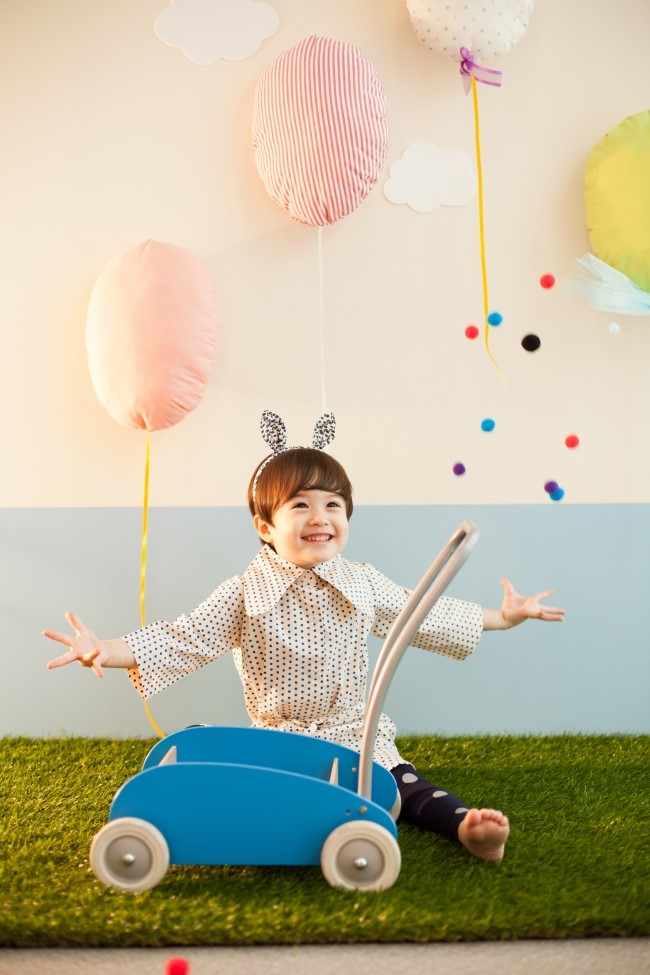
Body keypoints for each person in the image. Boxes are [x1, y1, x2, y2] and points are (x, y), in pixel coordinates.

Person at [44, 411, 565, 862]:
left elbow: (423, 614)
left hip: (355, 736)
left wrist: (503, 617)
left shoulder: (362, 583)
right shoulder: (245, 593)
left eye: (333, 504)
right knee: (221, 754)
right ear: (265, 527)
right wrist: (106, 649)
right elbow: (183, 638)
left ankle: (465, 827)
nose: (320, 517)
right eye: (299, 505)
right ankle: (193, 800)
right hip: (279, 740)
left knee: (404, 785)